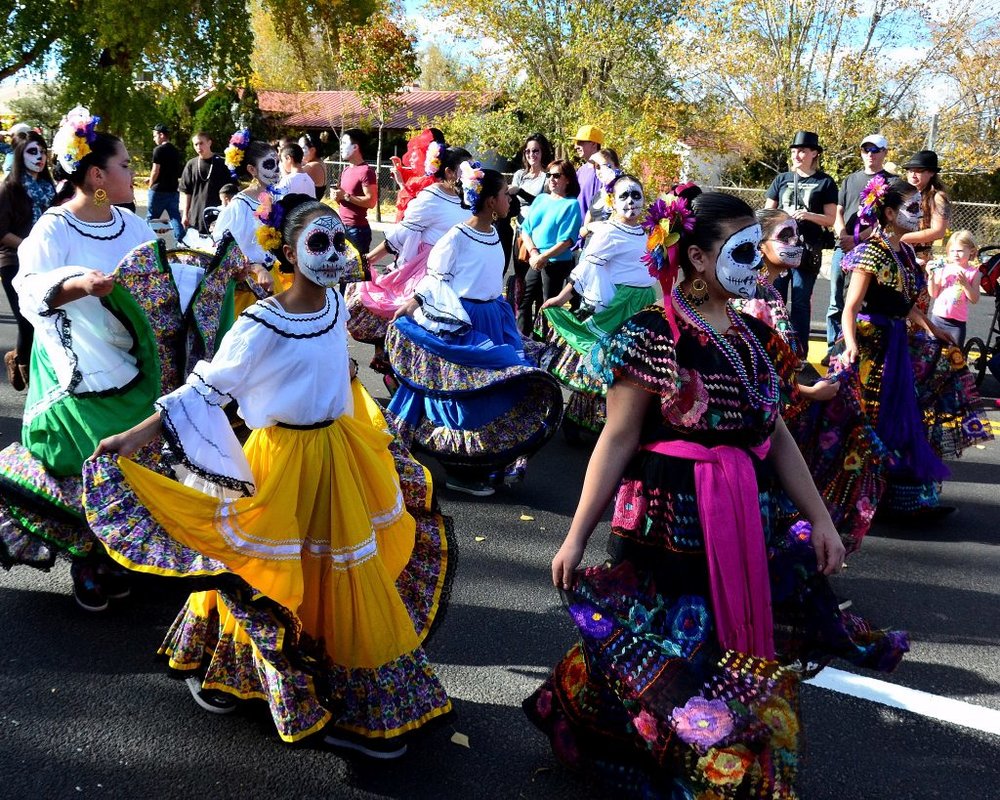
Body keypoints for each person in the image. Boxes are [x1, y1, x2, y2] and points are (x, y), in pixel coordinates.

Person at [524, 189, 909, 798]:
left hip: (740, 515)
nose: (759, 260)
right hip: (664, 520)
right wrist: (576, 536)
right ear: (698, 259)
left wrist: (823, 523)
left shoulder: (755, 336)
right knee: (666, 644)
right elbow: (617, 441)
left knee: (721, 650)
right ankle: (644, 749)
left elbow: (778, 438)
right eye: (743, 248)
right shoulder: (653, 334)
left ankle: (712, 762)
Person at [86, 194, 453, 757]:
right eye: (319, 243)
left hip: (338, 455)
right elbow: (207, 388)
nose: (334, 254)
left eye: (338, 242)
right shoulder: (260, 323)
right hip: (283, 461)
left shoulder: (334, 305)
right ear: (287, 250)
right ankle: (239, 669)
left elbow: (337, 363)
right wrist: (135, 437)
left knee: (336, 571)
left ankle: (346, 690)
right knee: (268, 571)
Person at [0, 108, 159, 606]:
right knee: (84, 463)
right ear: (96, 176)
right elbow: (28, 291)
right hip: (76, 367)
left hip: (132, 366)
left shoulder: (132, 225)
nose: (134, 173)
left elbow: (158, 279)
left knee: (132, 459)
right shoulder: (54, 228)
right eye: (126, 165)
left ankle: (118, 549)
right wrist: (76, 285)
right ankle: (87, 559)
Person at [386, 164, 563, 495]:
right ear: (491, 202)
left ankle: (488, 465)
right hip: (466, 322)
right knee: (467, 397)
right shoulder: (456, 237)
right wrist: (412, 306)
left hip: (494, 318)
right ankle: (459, 470)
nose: (509, 198)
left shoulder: (495, 232)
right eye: (503, 194)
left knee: (501, 390)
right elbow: (436, 279)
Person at [840, 176, 991, 518]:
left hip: (897, 340)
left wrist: (935, 328)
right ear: (890, 213)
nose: (918, 214)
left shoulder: (905, 251)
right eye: (910, 208)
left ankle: (905, 497)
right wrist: (849, 346)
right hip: (871, 344)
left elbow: (905, 304)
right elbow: (851, 307)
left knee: (938, 376)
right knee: (870, 421)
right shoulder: (871, 253)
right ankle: (860, 501)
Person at [749, 208, 887, 553]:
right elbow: (756, 376)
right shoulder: (753, 297)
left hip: (785, 418)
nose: (796, 243)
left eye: (797, 235)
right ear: (758, 243)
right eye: (785, 236)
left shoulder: (770, 290)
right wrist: (811, 392)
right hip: (767, 426)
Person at [538, 173, 656, 441]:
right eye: (624, 196)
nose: (631, 201)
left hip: (644, 305)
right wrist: (562, 297)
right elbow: (586, 267)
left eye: (636, 195)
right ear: (612, 201)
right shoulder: (610, 231)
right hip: (620, 305)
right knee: (604, 363)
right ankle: (576, 418)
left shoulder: (648, 231)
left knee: (629, 368)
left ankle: (611, 423)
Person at [345, 143, 471, 376]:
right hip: (427, 271)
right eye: (467, 168)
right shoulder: (431, 198)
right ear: (450, 173)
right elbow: (401, 235)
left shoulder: (469, 199)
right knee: (417, 325)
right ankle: (398, 373)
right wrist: (369, 259)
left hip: (459, 270)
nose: (473, 173)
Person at [764, 130, 838, 358]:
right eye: (795, 151)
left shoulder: (825, 182)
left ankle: (798, 353)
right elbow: (767, 212)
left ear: (814, 153)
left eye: (803, 150)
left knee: (800, 301)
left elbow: (832, 219)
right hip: (778, 250)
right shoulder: (782, 179)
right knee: (773, 298)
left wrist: (808, 216)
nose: (797, 155)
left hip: (806, 251)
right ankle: (770, 347)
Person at [827, 134, 893, 358]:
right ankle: (834, 349)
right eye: (866, 150)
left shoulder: (890, 182)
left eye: (876, 150)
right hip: (844, 247)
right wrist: (843, 234)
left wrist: (858, 239)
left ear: (885, 153)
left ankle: (856, 347)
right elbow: (838, 211)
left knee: (859, 301)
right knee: (836, 300)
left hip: (870, 250)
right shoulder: (850, 180)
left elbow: (885, 221)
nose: (870, 155)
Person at [1, 131, 55, 390]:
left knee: (43, 319)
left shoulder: (50, 188)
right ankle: (24, 368)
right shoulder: (9, 188)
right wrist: (30, 246)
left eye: (43, 151)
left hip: (44, 262)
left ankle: (18, 357)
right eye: (32, 152)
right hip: (13, 261)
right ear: (20, 156)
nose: (40, 157)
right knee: (26, 319)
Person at [212, 130, 280, 311]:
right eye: (269, 164)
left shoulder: (275, 198)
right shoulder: (239, 206)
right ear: (252, 170)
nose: (276, 169)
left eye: (278, 163)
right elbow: (224, 247)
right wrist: (257, 269)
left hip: (273, 279)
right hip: (248, 288)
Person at [517, 159, 583, 337]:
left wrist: (543, 257)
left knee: (548, 305)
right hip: (535, 259)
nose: (552, 179)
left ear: (567, 179)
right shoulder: (540, 199)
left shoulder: (571, 204)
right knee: (524, 301)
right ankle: (522, 341)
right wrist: (533, 253)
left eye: (556, 175)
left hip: (556, 262)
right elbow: (526, 229)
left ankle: (546, 344)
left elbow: (567, 241)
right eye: (549, 175)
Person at [506, 133, 553, 311]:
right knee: (521, 280)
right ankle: (521, 322)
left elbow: (543, 203)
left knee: (537, 282)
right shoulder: (520, 175)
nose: (531, 155)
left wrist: (521, 192)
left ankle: (540, 325)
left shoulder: (547, 177)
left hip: (538, 234)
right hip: (519, 232)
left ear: (542, 153)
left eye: (535, 151)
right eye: (527, 151)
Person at [927, 230, 981, 347]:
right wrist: (931, 278)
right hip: (937, 319)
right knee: (931, 354)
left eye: (960, 251)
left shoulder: (973, 273)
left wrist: (966, 285)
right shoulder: (943, 268)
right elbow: (934, 294)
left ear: (971, 251)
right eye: (952, 251)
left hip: (957, 324)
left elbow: (975, 299)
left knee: (954, 356)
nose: (956, 254)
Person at [900, 150, 950, 265]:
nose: (913, 174)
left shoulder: (938, 197)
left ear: (932, 173)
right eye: (910, 170)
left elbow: (938, 232)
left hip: (919, 259)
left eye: (919, 171)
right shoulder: (902, 194)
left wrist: (901, 238)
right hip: (898, 251)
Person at [334, 128, 378, 256]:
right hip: (341, 226)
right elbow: (343, 201)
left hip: (357, 230)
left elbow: (371, 202)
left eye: (344, 143)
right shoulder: (345, 170)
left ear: (355, 147)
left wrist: (346, 196)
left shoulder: (366, 171)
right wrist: (337, 197)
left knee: (360, 272)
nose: (341, 147)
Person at [179, 131, 231, 238]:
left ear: (209, 143)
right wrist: (185, 214)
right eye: (195, 144)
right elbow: (187, 192)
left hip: (216, 214)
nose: (198, 147)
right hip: (195, 215)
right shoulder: (191, 164)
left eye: (201, 143)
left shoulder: (222, 164)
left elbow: (230, 192)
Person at [146, 123, 184, 242]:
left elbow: (155, 170)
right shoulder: (175, 151)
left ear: (161, 135)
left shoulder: (158, 150)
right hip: (173, 190)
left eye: (154, 136)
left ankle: (145, 241)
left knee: (151, 218)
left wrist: (150, 184)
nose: (154, 139)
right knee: (175, 217)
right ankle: (181, 242)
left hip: (159, 190)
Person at [578, 147, 622, 239]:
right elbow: (582, 232)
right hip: (591, 247)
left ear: (617, 166)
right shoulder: (598, 195)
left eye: (604, 165)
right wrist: (591, 226)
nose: (600, 171)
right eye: (597, 167)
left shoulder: (623, 191)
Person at [572, 124, 605, 223]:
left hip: (600, 232)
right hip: (579, 233)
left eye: (580, 142)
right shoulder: (580, 171)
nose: (576, 146)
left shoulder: (608, 171)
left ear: (594, 144)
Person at [297, 132, 328, 200]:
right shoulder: (318, 162)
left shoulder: (313, 166)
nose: (298, 151)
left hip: (308, 207)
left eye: (302, 148)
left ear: (312, 150)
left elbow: (290, 179)